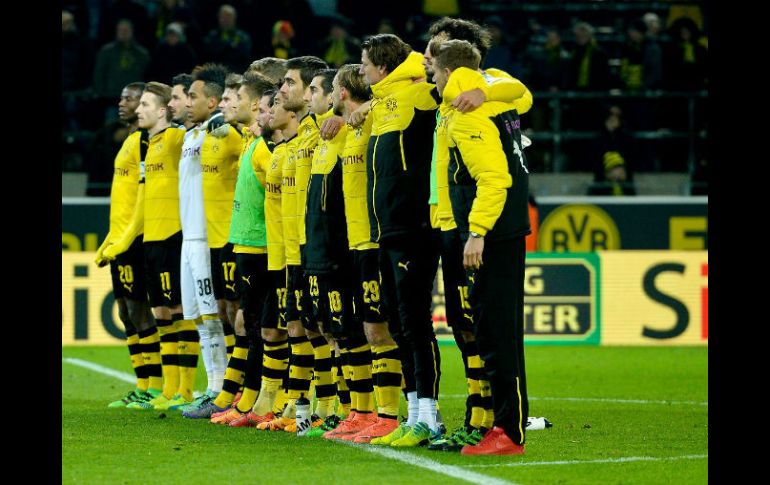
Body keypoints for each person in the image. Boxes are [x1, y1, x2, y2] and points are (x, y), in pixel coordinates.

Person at [433, 39, 530, 455]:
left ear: (450, 73)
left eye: (434, 72)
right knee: (496, 332)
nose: (431, 79)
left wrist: (476, 232)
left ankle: (508, 431)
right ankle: (506, 427)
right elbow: (522, 94)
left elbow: (494, 179)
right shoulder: (493, 96)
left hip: (493, 234)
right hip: (505, 231)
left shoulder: (467, 115)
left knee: (494, 335)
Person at [104, 82, 196, 411]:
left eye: (143, 103)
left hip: (173, 236)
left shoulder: (173, 138)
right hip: (150, 239)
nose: (137, 108)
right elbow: (140, 197)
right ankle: (166, 389)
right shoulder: (148, 145)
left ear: (161, 110)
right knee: (159, 312)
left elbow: (197, 136)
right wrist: (118, 238)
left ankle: (183, 390)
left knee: (178, 313)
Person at [94, 81, 163, 409]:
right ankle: (142, 383)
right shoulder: (132, 141)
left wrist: (123, 239)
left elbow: (142, 198)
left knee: (140, 310)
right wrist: (112, 238)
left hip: (136, 240)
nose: (122, 102)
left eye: (130, 98)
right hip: (121, 239)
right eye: (121, 96)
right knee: (126, 312)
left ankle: (154, 386)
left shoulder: (148, 143)